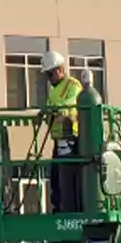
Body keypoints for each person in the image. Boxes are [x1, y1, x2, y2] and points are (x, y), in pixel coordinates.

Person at [40, 49, 83, 210]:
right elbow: (51, 109)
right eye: (47, 76)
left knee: (68, 180)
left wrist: (53, 111)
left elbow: (67, 105)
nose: (49, 79)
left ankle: (70, 209)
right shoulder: (53, 91)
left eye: (50, 74)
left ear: (60, 69)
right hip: (58, 140)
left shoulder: (73, 85)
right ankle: (58, 209)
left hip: (72, 140)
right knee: (56, 178)